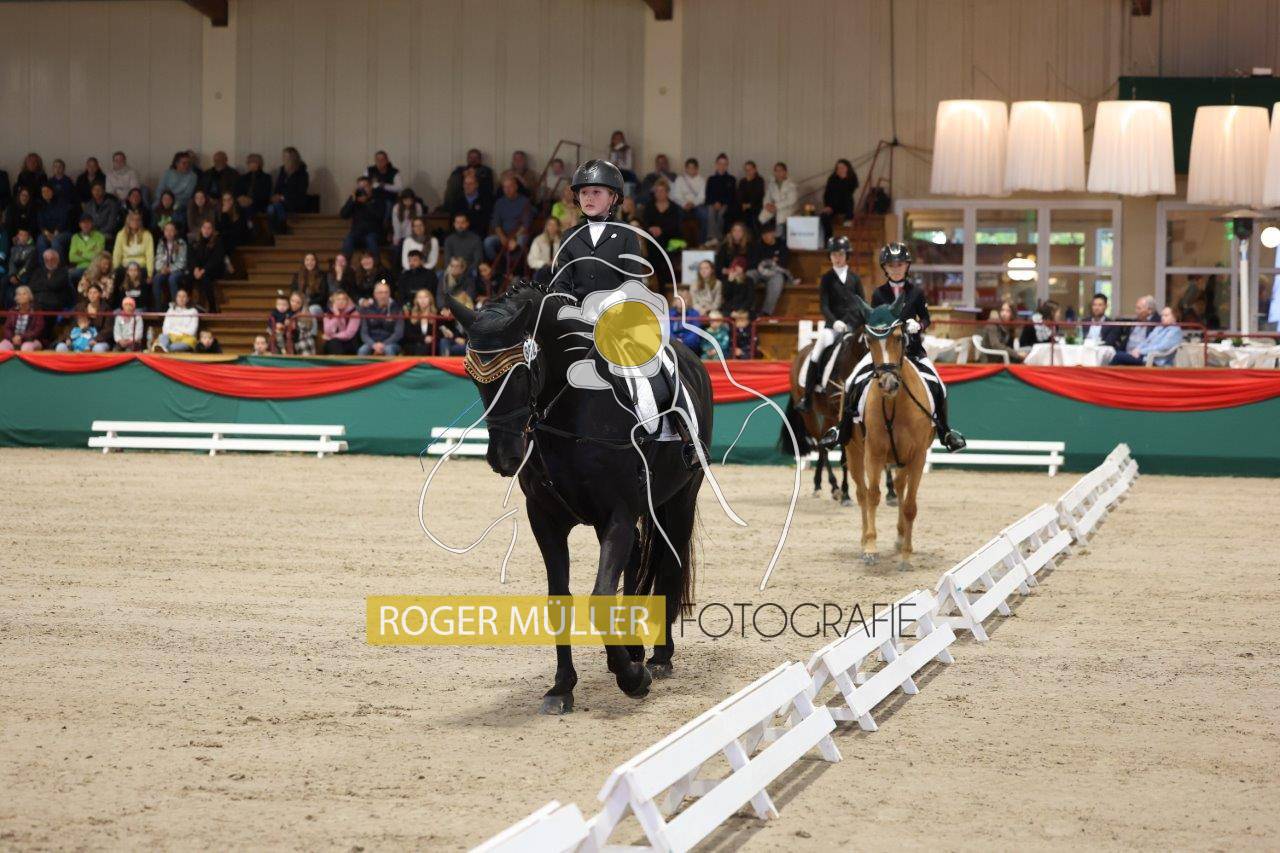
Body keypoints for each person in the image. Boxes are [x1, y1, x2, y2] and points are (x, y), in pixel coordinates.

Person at [833, 242, 966, 452]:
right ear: (885, 268)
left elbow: (926, 318)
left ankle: (945, 432)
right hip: (884, 353)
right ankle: (842, 430)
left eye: (900, 264)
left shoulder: (916, 292)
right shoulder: (878, 294)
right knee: (851, 382)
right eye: (891, 265)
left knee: (939, 385)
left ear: (907, 266)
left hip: (912, 351)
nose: (896, 268)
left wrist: (918, 325)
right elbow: (874, 321)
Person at [797, 236, 864, 412]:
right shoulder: (827, 278)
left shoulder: (855, 278)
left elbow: (862, 303)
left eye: (840, 254)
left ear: (846, 255)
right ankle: (808, 395)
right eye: (834, 254)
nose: (837, 258)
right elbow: (824, 306)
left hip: (853, 326)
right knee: (819, 347)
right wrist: (834, 322)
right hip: (833, 327)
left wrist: (857, 323)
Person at [1110, 305, 1183, 366]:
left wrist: (1141, 351)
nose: (1162, 317)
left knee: (1118, 356)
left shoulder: (1175, 331)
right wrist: (1137, 349)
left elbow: (1162, 347)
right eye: (1162, 315)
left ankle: (1107, 377)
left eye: (1166, 315)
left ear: (1175, 317)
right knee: (1118, 354)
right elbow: (1146, 341)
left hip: (1155, 360)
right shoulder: (1159, 327)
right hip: (1143, 356)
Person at [485, 176, 532, 266]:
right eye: (505, 187)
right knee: (488, 242)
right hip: (503, 235)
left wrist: (513, 238)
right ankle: (499, 265)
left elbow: (525, 225)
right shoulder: (499, 203)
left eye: (510, 186)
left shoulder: (525, 202)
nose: (507, 190)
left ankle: (515, 267)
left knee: (521, 241)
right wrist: (503, 238)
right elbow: (496, 224)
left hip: (518, 234)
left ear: (516, 187)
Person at [716, 222, 757, 313]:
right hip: (729, 275)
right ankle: (728, 307)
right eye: (734, 230)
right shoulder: (724, 247)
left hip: (744, 274)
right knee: (728, 281)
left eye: (739, 231)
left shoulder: (750, 246)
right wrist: (725, 270)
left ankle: (746, 308)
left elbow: (754, 262)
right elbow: (718, 265)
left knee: (748, 280)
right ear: (731, 233)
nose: (737, 233)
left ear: (744, 233)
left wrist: (743, 269)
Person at [751, 226, 793, 316]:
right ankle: (749, 309)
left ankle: (766, 312)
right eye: (764, 234)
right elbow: (753, 262)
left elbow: (783, 262)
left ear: (773, 233)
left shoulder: (781, 245)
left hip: (775, 272)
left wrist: (766, 260)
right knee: (749, 276)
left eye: (768, 234)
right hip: (759, 271)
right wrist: (771, 260)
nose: (766, 237)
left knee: (778, 279)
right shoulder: (758, 245)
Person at [339, 177, 384, 257]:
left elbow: (379, 216)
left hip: (373, 232)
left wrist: (366, 202)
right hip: (357, 233)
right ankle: (345, 263)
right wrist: (352, 200)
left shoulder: (378, 199)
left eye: (365, 186)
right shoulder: (355, 199)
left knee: (370, 239)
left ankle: (376, 263)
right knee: (348, 239)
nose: (362, 189)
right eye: (360, 187)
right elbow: (343, 215)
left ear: (370, 187)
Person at [267, 147, 310, 232]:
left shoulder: (302, 174)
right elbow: (278, 187)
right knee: (271, 208)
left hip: (294, 201)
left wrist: (282, 197)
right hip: (281, 202)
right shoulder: (282, 172)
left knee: (273, 208)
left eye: (286, 157)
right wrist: (275, 196)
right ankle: (279, 230)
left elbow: (300, 192)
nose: (284, 159)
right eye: (283, 157)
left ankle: (279, 231)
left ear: (293, 158)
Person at [187, 220, 225, 312]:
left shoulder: (217, 242)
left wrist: (203, 271)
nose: (206, 230)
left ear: (212, 230)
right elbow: (192, 257)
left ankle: (212, 307)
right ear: (201, 229)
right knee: (186, 278)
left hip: (213, 270)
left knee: (205, 279)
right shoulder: (195, 242)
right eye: (204, 228)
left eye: (209, 228)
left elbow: (215, 260)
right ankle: (187, 304)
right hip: (198, 270)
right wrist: (195, 269)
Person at [358, 280, 404, 356]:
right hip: (372, 342)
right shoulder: (367, 309)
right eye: (380, 293)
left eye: (386, 292)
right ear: (375, 294)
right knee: (362, 350)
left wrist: (383, 344)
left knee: (388, 349)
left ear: (389, 294)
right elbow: (364, 333)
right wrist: (373, 345)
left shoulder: (397, 309)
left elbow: (399, 333)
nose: (383, 295)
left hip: (391, 343)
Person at [671, 158, 708, 245]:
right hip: (682, 205)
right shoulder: (680, 179)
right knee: (675, 214)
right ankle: (680, 243)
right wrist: (684, 204)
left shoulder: (702, 180)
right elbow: (676, 195)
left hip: (696, 205)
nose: (691, 170)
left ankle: (702, 242)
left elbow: (702, 197)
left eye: (693, 168)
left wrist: (693, 204)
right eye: (689, 168)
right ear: (686, 168)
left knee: (704, 214)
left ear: (697, 169)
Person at [152, 221, 188, 309]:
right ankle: (158, 308)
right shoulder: (161, 242)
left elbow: (182, 262)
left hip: (178, 270)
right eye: (167, 230)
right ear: (164, 232)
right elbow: (158, 259)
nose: (169, 232)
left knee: (172, 279)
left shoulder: (181, 243)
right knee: (157, 278)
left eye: (171, 230)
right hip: (164, 270)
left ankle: (176, 306)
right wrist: (161, 269)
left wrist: (170, 269)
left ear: (175, 232)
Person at [113, 211, 154, 284]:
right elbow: (117, 254)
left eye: (137, 220)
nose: (135, 222)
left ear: (140, 222)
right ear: (128, 221)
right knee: (118, 273)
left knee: (144, 274)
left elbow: (150, 255)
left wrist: (150, 274)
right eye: (132, 219)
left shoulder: (147, 235)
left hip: (141, 266)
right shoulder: (121, 234)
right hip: (125, 265)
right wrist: (114, 270)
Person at [821, 159, 859, 239]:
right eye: (838, 168)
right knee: (823, 216)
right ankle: (828, 237)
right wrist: (828, 206)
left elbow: (847, 192)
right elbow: (827, 194)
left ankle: (848, 219)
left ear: (847, 168)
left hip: (845, 205)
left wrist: (844, 179)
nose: (840, 170)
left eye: (842, 168)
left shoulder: (851, 179)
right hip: (832, 205)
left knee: (848, 198)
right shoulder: (832, 178)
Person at [35, 183, 73, 260]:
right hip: (48, 233)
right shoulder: (41, 206)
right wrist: (47, 233)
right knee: (40, 240)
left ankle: (59, 265)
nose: (45, 193)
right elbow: (40, 223)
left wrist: (56, 232)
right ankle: (44, 266)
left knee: (55, 241)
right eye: (43, 192)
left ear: (52, 191)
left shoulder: (61, 203)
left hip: (63, 232)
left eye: (47, 191)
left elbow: (63, 219)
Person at [156, 152, 197, 222]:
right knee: (155, 206)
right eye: (184, 163)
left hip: (180, 202)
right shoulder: (168, 173)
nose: (187, 165)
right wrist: (163, 200)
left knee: (176, 211)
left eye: (188, 163)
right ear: (177, 163)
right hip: (163, 200)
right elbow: (160, 189)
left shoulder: (193, 176)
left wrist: (170, 200)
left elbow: (187, 195)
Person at [0, 286, 45, 351]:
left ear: (29, 297)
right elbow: (7, 328)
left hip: (31, 340)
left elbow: (38, 329)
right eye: (19, 294)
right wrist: (12, 338)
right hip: (13, 339)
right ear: (16, 298)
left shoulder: (36, 310)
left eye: (24, 294)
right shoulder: (13, 310)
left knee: (26, 348)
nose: (21, 296)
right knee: (1, 347)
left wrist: (21, 337)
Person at [704, 154, 736, 244]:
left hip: (726, 204)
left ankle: (718, 238)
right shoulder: (711, 179)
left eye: (724, 164)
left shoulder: (731, 179)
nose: (722, 166)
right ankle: (711, 237)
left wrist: (721, 203)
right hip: (713, 203)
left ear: (727, 165)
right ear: (716, 165)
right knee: (711, 211)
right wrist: (715, 203)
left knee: (722, 213)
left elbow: (731, 195)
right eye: (720, 163)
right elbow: (708, 194)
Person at [154, 288, 198, 352]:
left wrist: (175, 329)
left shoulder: (193, 311)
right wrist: (180, 331)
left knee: (171, 347)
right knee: (162, 336)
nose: (181, 299)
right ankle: (165, 348)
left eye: (184, 296)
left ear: (188, 299)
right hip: (171, 337)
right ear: (176, 298)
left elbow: (192, 331)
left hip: (186, 339)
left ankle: (165, 349)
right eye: (179, 296)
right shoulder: (171, 310)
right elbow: (165, 329)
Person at [68, 214, 105, 288]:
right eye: (83, 222)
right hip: (79, 268)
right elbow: (71, 257)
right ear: (80, 224)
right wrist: (91, 253)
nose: (86, 225)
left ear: (92, 224)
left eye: (88, 222)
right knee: (68, 276)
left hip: (94, 267)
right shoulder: (75, 237)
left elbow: (98, 256)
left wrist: (81, 253)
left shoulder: (100, 236)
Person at [760, 162, 798, 235]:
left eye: (780, 170)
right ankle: (766, 236)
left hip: (787, 209)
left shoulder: (791, 184)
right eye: (776, 170)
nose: (778, 173)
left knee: (780, 221)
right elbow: (767, 197)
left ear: (785, 172)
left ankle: (779, 237)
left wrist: (776, 206)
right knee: (761, 218)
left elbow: (791, 200)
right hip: (772, 208)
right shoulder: (771, 184)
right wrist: (767, 205)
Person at [449, 171, 491, 236]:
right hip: (459, 234)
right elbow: (453, 220)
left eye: (470, 184)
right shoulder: (457, 200)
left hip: (478, 235)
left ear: (476, 185)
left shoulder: (484, 200)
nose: (467, 186)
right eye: (465, 184)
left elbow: (485, 222)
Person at [323, 290, 361, 355]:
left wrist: (332, 336)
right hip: (333, 343)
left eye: (343, 299)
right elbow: (327, 331)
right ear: (334, 302)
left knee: (334, 343)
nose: (341, 301)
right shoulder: (328, 314)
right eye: (338, 299)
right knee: (333, 343)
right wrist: (336, 316)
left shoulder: (354, 314)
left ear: (347, 301)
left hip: (349, 342)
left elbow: (349, 334)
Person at [234, 153, 273, 218]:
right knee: (236, 207)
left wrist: (251, 200)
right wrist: (240, 198)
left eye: (250, 162)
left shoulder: (266, 178)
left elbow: (265, 194)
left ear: (257, 163)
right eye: (248, 162)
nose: (247, 164)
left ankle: (249, 224)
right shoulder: (243, 177)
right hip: (243, 202)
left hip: (258, 203)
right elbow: (237, 190)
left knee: (248, 209)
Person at [391, 191, 425, 262]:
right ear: (402, 200)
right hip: (400, 234)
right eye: (406, 200)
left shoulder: (417, 206)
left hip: (413, 234)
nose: (408, 203)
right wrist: (397, 237)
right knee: (397, 249)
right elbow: (396, 224)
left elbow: (418, 222)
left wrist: (412, 236)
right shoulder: (396, 207)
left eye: (410, 200)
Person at [403, 288, 437, 356]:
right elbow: (408, 334)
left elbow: (439, 333)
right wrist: (423, 339)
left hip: (431, 345)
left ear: (430, 299)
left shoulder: (436, 314)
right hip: (415, 345)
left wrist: (432, 338)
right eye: (420, 297)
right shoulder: (411, 315)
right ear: (416, 300)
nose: (422, 300)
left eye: (425, 297)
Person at [737, 160, 765, 231]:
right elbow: (739, 195)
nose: (748, 172)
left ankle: (753, 235)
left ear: (755, 170)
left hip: (755, 205)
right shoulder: (743, 181)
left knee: (751, 215)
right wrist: (742, 204)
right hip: (743, 206)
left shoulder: (760, 180)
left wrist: (749, 205)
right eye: (746, 170)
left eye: (750, 169)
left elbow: (758, 195)